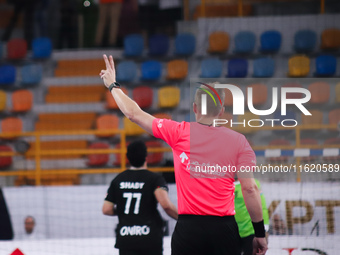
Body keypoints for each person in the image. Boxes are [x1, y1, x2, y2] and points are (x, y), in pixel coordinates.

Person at [100, 54, 268, 255]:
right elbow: (250, 189)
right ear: (221, 111)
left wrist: (113, 85)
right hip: (224, 229)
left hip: (189, 229)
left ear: (195, 108)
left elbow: (133, 114)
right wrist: (259, 233)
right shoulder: (239, 141)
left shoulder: (178, 132)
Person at [102, 140, 178, 255]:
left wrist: (123, 210)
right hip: (150, 237)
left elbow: (106, 209)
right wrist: (183, 219)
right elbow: (166, 206)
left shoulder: (118, 180)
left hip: (126, 238)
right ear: (146, 157)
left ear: (128, 158)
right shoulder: (155, 179)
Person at [234, 178, 270, 255]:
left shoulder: (252, 183)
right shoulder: (222, 183)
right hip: (230, 231)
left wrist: (264, 228)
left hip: (250, 231)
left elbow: (261, 205)